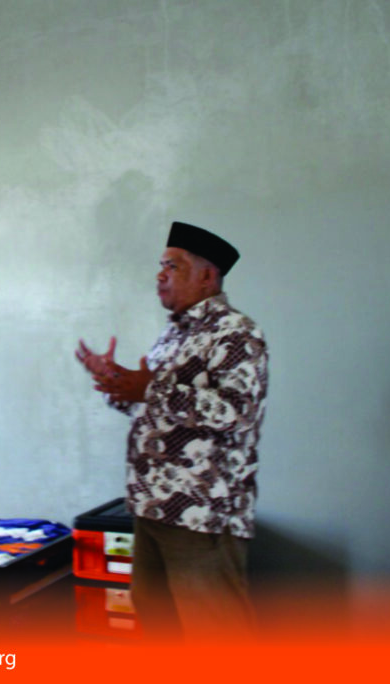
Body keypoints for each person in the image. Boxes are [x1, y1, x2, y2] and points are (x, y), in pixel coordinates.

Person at [75, 221, 268, 641]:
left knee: (215, 634)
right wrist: (115, 380)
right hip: (153, 507)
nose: (160, 275)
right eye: (161, 266)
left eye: (173, 266)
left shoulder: (236, 332)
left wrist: (150, 388)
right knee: (159, 625)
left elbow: (237, 413)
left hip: (202, 514)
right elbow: (150, 406)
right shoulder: (175, 333)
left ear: (207, 276)